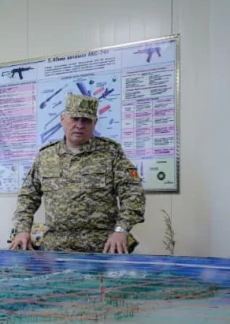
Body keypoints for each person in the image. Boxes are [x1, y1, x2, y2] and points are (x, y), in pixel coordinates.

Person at [9, 93, 145, 254]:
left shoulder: (111, 153)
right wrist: (22, 230)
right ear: (62, 119)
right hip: (56, 249)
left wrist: (121, 230)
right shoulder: (46, 156)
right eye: (75, 118)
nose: (79, 125)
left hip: (103, 249)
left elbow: (133, 194)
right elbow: (27, 196)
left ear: (95, 123)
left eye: (86, 120)